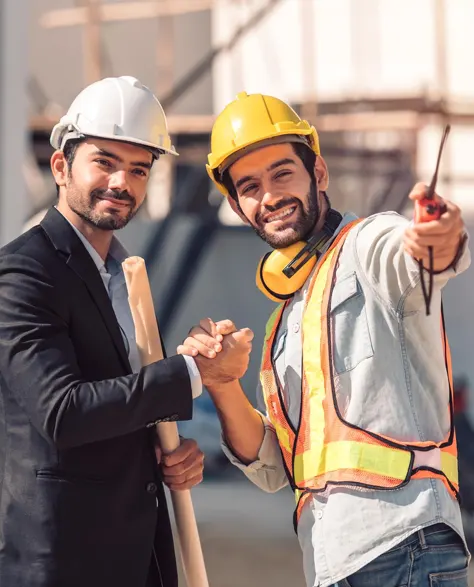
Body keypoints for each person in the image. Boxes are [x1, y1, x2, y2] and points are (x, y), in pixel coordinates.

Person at [179, 92, 472, 587]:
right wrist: (224, 385)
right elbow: (273, 468)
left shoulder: (367, 244)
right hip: (331, 562)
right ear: (235, 205)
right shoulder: (285, 323)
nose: (268, 195)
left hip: (404, 543)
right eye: (250, 186)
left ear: (318, 174)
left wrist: (440, 240)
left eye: (282, 173)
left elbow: (418, 255)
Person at [0, 76, 248, 587]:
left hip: (131, 558)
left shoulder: (123, 276)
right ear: (61, 166)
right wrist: (190, 374)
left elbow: (115, 411)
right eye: (105, 162)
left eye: (138, 169)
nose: (122, 182)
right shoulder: (24, 275)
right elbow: (64, 413)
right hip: (57, 562)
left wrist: (162, 457)